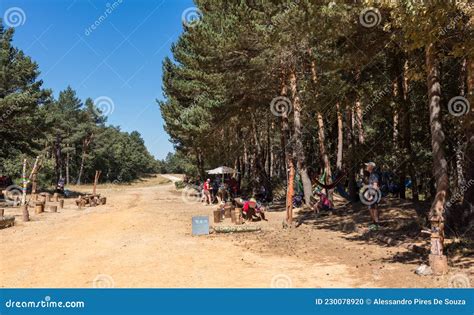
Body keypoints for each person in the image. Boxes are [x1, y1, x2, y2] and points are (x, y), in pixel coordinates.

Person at [365, 162, 381, 230]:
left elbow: (375, 185)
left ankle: (376, 225)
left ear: (371, 167)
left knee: (374, 209)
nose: (366, 167)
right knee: (371, 209)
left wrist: (371, 195)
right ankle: (374, 224)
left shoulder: (374, 175)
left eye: (367, 166)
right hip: (372, 194)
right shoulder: (372, 174)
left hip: (374, 195)